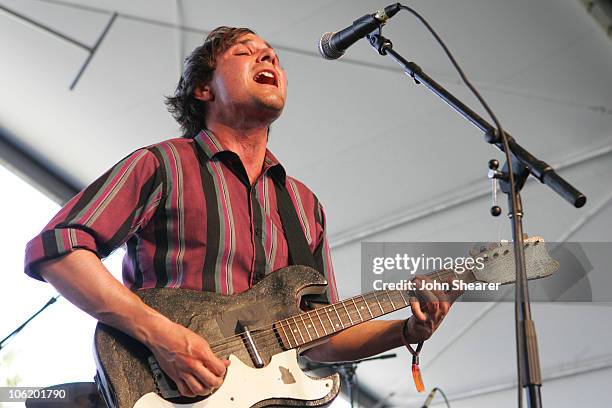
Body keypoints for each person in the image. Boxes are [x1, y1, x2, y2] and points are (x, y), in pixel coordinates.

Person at [24, 26, 457, 398]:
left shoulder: (305, 206)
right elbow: (58, 250)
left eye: (272, 55)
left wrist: (406, 332)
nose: (268, 55)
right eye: (245, 52)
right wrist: (160, 335)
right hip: (160, 391)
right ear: (204, 88)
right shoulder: (163, 164)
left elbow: (319, 333)